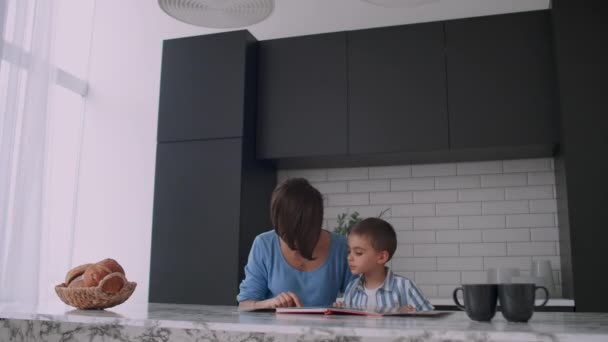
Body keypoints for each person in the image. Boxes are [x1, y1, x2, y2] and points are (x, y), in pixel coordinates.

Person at [237, 178, 353, 309]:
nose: (296, 245)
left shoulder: (341, 247)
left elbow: (359, 298)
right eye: (287, 235)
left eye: (304, 234)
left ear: (316, 222)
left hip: (325, 329)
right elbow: (245, 304)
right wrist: (270, 303)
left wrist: (345, 305)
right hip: (274, 329)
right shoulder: (264, 245)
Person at [341, 217, 434, 311]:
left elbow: (430, 319)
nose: (349, 257)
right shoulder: (351, 288)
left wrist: (410, 316)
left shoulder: (404, 286)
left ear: (381, 257)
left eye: (358, 252)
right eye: (349, 251)